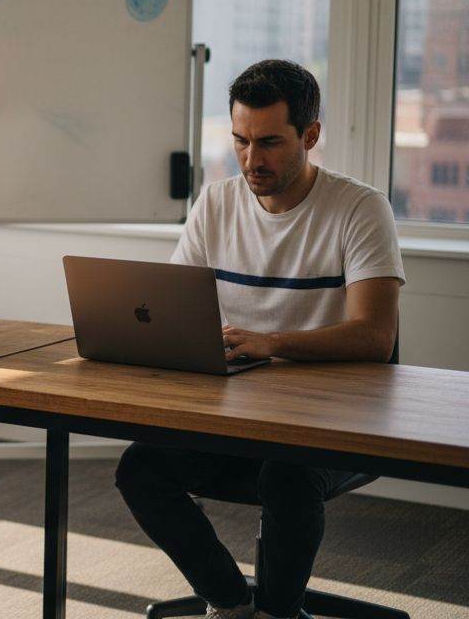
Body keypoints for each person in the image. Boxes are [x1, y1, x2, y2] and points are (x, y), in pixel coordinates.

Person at [114, 59, 404, 619]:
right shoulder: (217, 202)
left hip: (338, 419)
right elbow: (175, 306)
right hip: (234, 412)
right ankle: (231, 604)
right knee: (140, 468)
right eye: (241, 141)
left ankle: (277, 613)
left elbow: (374, 336)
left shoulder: (360, 209)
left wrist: (271, 342)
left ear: (310, 135)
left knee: (289, 474)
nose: (252, 159)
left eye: (270, 142)